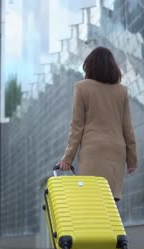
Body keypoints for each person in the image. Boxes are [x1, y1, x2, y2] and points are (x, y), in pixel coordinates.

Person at [57, 46, 138, 202]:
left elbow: (76, 127)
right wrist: (132, 159)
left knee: (91, 204)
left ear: (90, 66)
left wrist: (67, 159)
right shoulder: (122, 91)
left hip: (92, 153)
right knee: (109, 205)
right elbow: (128, 129)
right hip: (116, 154)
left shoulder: (81, 87)